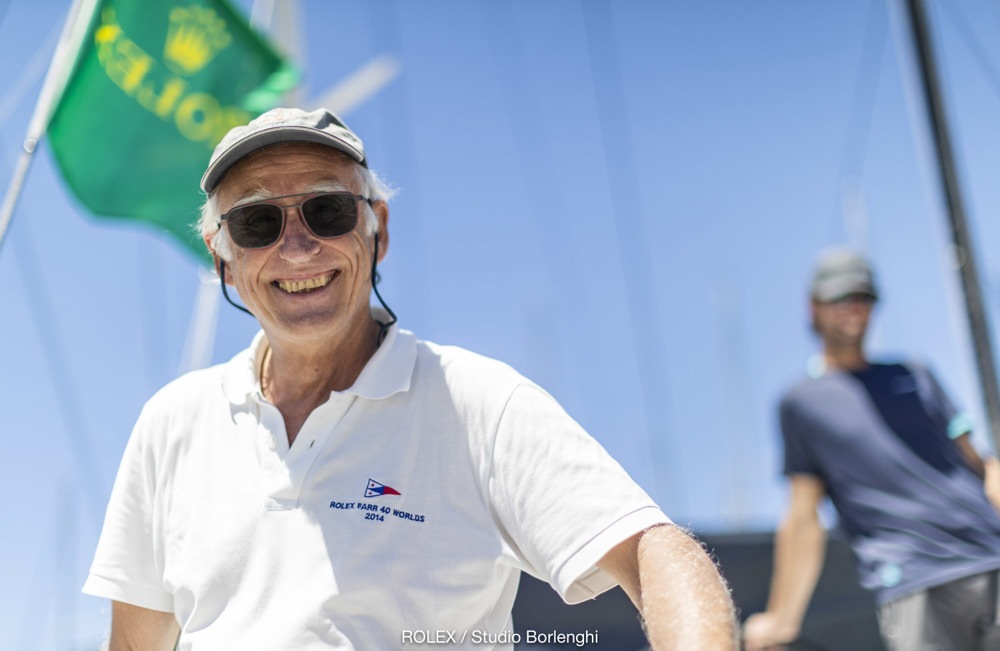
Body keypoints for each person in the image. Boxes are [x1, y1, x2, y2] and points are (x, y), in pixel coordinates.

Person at [82, 107, 737, 650]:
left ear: (379, 228)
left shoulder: (477, 402)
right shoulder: (173, 422)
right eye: (258, 222)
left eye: (328, 211)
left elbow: (657, 551)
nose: (298, 246)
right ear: (223, 261)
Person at [743, 249, 1000, 651]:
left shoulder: (915, 373)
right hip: (914, 579)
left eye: (864, 299)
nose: (854, 310)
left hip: (991, 556)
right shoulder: (801, 403)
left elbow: (982, 465)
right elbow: (804, 516)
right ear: (815, 307)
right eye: (842, 299)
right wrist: (782, 619)